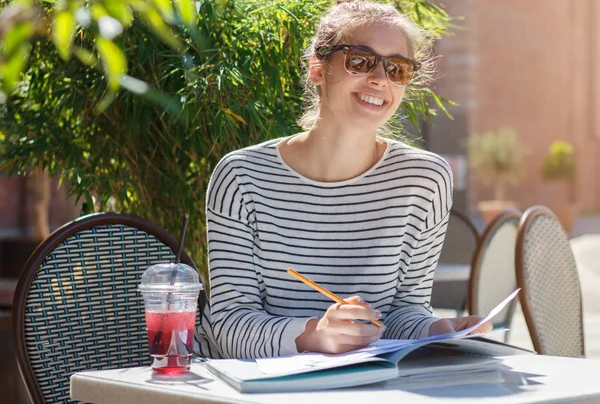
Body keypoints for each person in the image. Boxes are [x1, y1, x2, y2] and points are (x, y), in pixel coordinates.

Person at [195, 0, 491, 359]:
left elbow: (403, 312)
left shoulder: (425, 179)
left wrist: (434, 330)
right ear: (317, 68)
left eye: (397, 68)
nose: (380, 79)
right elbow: (227, 325)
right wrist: (313, 334)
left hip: (371, 386)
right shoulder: (241, 178)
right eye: (360, 60)